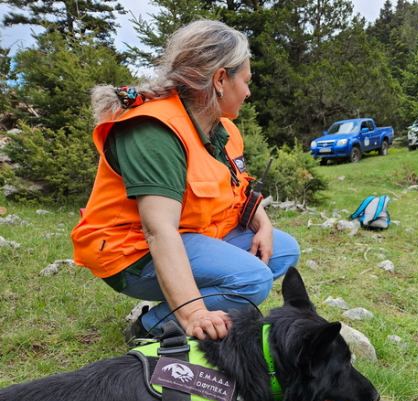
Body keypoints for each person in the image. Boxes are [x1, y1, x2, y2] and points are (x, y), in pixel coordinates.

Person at [71, 20, 300, 342]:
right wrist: (193, 313)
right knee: (252, 280)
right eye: (246, 81)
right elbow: (158, 230)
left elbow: (240, 185)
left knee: (283, 250)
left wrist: (262, 223)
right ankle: (154, 325)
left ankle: (193, 294)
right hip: (130, 253)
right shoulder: (154, 132)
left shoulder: (223, 129)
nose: (248, 93)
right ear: (221, 79)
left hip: (192, 236)